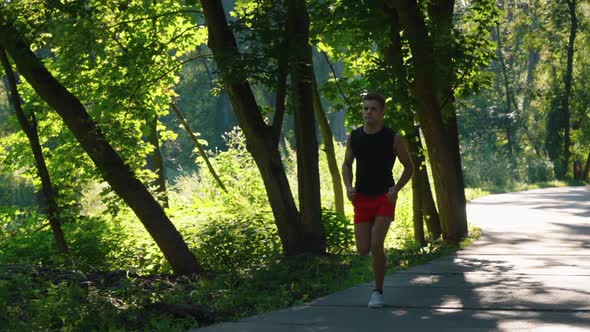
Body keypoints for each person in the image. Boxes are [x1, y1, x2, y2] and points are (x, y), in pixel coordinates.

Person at [342, 92, 414, 308]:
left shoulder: (393, 138)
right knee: (363, 248)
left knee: (375, 244)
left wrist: (397, 188)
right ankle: (381, 260)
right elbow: (346, 164)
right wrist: (348, 186)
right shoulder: (354, 137)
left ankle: (378, 292)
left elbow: (409, 167)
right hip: (362, 197)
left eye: (373, 109)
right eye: (365, 108)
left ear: (382, 112)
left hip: (385, 196)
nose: (368, 112)